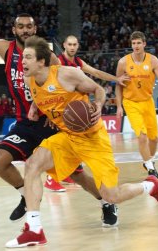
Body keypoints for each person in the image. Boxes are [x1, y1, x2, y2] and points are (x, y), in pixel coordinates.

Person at [0, 0, 118, 226]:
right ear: (14, 30)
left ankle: (106, 202)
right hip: (26, 123)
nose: (25, 30)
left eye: (29, 26)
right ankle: (26, 195)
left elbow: (71, 85)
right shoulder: (4, 49)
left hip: (52, 123)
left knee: (74, 174)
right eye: (21, 26)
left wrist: (73, 112)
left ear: (35, 30)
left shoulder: (48, 56)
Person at [5, 36, 158, 248]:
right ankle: (34, 229)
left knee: (111, 195)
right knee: (32, 165)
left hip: (93, 139)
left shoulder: (67, 75)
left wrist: (98, 106)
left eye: (28, 57)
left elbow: (98, 90)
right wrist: (34, 108)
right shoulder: (30, 81)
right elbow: (43, 99)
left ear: (42, 61)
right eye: (23, 58)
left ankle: (149, 186)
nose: (23, 62)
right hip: (67, 138)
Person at [49, 34, 130, 191]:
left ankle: (66, 174)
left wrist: (116, 79)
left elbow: (96, 73)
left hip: (77, 109)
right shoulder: (58, 62)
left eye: (75, 44)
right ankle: (51, 179)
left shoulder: (78, 62)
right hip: (63, 110)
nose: (72, 47)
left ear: (78, 46)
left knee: (76, 145)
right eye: (69, 44)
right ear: (64, 45)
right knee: (62, 145)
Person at [115, 31, 158, 179]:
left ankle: (149, 160)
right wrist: (119, 106)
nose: (136, 46)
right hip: (131, 103)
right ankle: (150, 168)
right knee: (142, 136)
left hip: (147, 102)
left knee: (154, 139)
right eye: (133, 43)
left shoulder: (153, 61)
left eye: (139, 43)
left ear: (144, 44)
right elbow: (118, 85)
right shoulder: (123, 62)